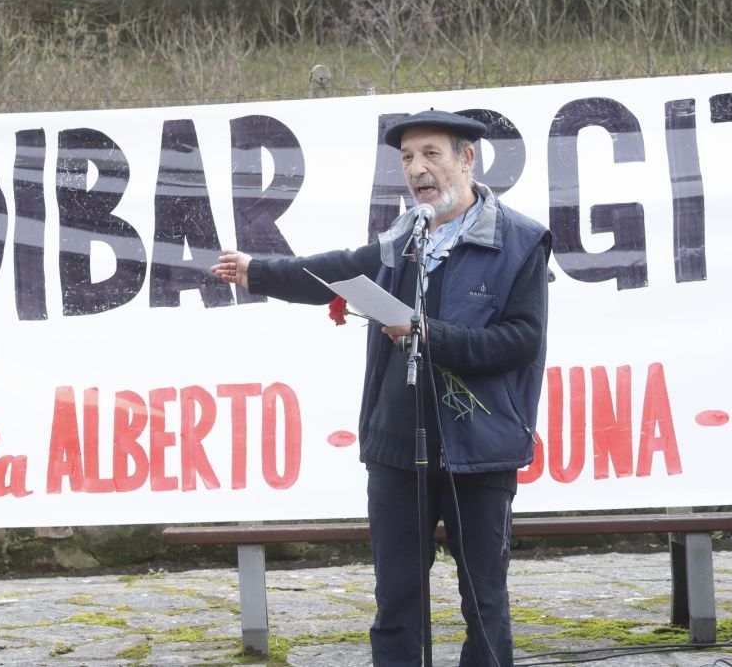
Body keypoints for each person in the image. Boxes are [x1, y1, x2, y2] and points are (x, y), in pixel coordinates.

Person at [211, 109, 551, 667]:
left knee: (485, 601)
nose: (417, 169)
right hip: (398, 448)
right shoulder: (404, 236)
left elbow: (521, 340)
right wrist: (258, 271)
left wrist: (429, 335)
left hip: (479, 451)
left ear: (466, 159)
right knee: (396, 601)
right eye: (407, 157)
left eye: (431, 154)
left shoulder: (521, 240)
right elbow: (338, 269)